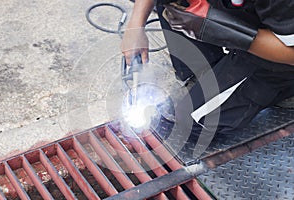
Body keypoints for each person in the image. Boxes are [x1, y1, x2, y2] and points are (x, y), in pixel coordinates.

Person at [121, 0, 294, 136]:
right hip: (251, 19)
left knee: (191, 122)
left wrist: (226, 31)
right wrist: (136, 25)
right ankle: (207, 75)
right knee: (174, 4)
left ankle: (283, 90)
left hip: (281, 56)